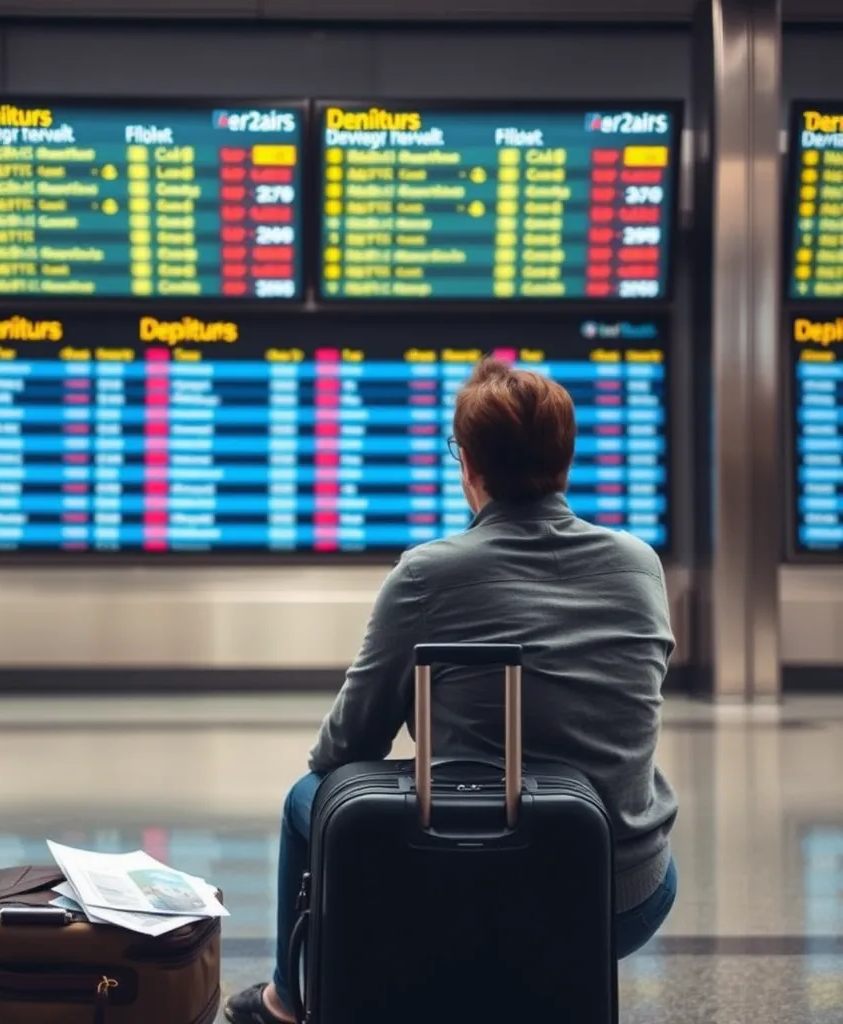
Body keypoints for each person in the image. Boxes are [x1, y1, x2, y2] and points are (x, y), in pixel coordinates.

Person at [225, 358, 678, 1024]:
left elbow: (345, 748)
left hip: (467, 883)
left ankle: (288, 1001)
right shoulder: (640, 563)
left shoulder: (429, 574)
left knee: (307, 798)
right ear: (566, 458)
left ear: (468, 464)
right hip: (620, 895)